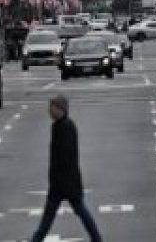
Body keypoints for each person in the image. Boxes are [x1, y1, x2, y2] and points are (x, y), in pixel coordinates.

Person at [29, 96, 103, 242]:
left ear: (60, 109)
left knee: (74, 212)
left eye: (52, 108)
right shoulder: (58, 126)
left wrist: (59, 180)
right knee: (53, 216)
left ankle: (97, 238)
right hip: (62, 181)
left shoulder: (66, 127)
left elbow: (66, 156)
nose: (49, 111)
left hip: (66, 182)